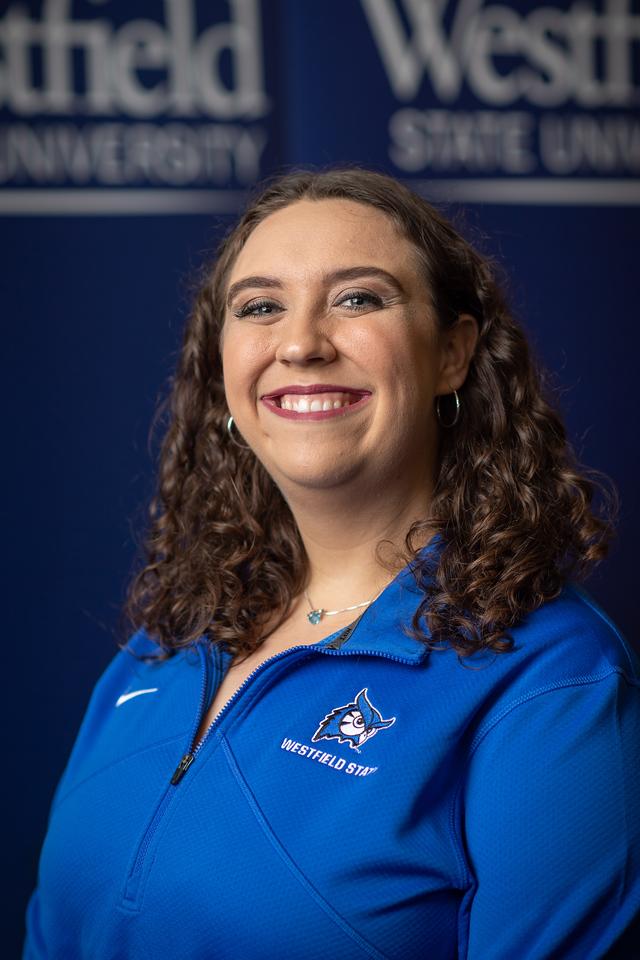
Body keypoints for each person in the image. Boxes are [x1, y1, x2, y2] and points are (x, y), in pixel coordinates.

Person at [24, 169, 640, 960]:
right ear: (222, 370)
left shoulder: (554, 684)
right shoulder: (164, 646)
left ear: (453, 353)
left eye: (358, 298)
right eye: (260, 307)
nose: (301, 343)